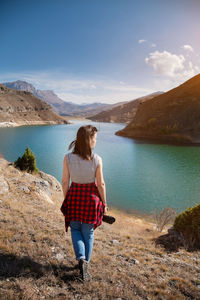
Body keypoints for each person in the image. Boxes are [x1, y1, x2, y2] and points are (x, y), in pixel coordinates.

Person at [60, 125, 108, 281]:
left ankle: (80, 259)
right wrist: (105, 204)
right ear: (89, 140)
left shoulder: (67, 158)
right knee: (89, 232)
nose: (96, 141)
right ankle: (85, 264)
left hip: (74, 196)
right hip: (91, 200)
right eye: (94, 138)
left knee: (75, 229)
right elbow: (100, 184)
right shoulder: (97, 159)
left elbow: (65, 181)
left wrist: (67, 198)